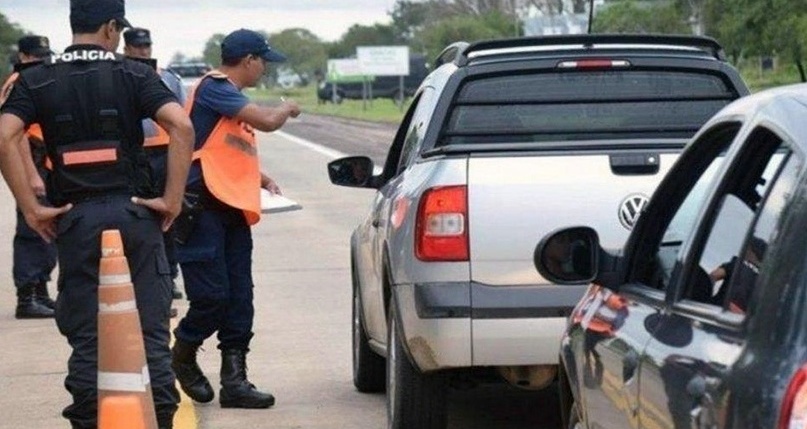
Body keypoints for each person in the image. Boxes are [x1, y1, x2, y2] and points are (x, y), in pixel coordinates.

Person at [0, 0, 194, 427]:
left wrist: (33, 208)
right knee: (150, 337)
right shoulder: (136, 73)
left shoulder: (36, 79)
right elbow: (181, 126)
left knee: (89, 340)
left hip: (77, 220)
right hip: (136, 215)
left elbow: (5, 135)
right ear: (111, 28)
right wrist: (172, 200)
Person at [171, 28, 300, 409]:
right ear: (249, 61)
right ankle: (183, 351)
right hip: (202, 210)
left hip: (231, 207)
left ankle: (235, 381)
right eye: (263, 62)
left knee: (240, 298)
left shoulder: (230, 98)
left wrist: (258, 177)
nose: (264, 69)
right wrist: (286, 108)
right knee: (212, 297)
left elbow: (221, 148)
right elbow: (267, 121)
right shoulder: (215, 87)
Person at [123, 27, 186, 305]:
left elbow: (182, 118)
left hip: (164, 153)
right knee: (136, 217)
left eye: (146, 45)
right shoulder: (119, 73)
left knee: (169, 216)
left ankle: (168, 276)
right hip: (133, 154)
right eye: (137, 46)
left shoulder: (167, 78)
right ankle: (138, 278)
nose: (143, 51)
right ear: (126, 48)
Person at [1, 35, 58, 319]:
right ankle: (27, 298)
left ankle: (41, 292)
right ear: (22, 57)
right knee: (30, 230)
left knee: (47, 230)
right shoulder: (17, 83)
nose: (40, 60)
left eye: (44, 55)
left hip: (42, 158)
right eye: (35, 56)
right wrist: (32, 175)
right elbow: (16, 136)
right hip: (30, 160)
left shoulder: (36, 80)